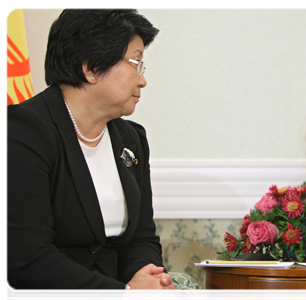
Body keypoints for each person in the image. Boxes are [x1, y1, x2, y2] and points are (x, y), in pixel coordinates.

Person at [5, 9, 177, 300]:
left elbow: (141, 238)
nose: (142, 80)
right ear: (91, 67)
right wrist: (125, 295)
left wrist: (145, 279)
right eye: (135, 63)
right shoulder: (23, 131)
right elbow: (26, 256)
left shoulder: (131, 139)